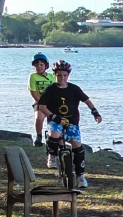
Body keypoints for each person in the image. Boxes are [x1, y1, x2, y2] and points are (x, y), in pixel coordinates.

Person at [37, 60, 102, 189]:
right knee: (54, 134)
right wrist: (53, 117)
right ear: (54, 75)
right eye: (59, 75)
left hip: (72, 122)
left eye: (64, 75)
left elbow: (87, 100)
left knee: (77, 147)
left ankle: (80, 176)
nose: (62, 78)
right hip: (55, 120)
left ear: (68, 75)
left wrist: (95, 112)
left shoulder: (74, 88)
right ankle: (52, 155)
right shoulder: (51, 90)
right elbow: (42, 106)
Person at [28, 53, 54, 147]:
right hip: (39, 102)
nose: (39, 67)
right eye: (36, 65)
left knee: (55, 120)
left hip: (52, 102)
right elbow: (33, 91)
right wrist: (42, 103)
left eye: (41, 65)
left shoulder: (51, 76)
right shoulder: (33, 76)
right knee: (39, 118)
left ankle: (54, 138)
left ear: (46, 66)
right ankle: (38, 137)